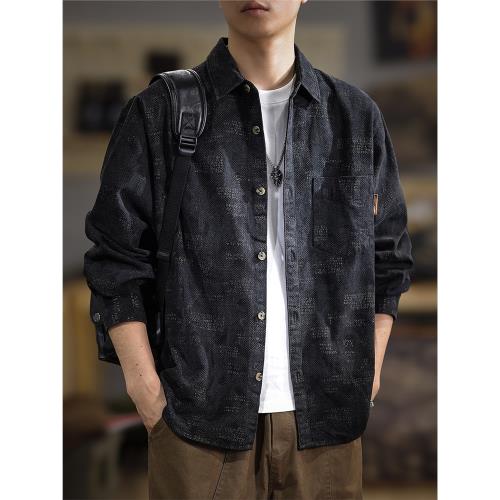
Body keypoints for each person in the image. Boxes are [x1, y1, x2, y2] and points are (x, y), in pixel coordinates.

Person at [83, 1, 414, 498]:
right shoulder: (160, 112)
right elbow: (116, 258)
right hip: (195, 419)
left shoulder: (355, 117)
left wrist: (370, 367)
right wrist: (144, 388)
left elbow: (388, 258)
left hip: (327, 418)